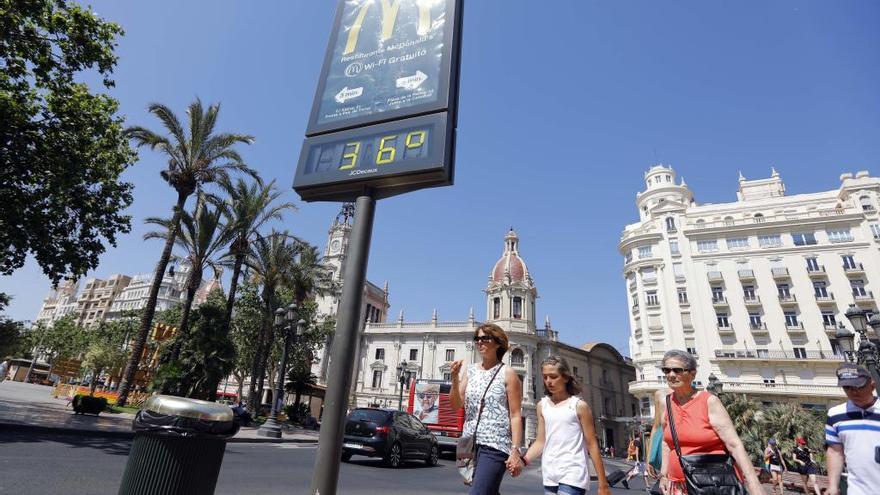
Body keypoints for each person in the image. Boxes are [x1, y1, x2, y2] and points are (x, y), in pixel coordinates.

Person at [657, 350, 764, 495]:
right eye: (666, 370)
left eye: (677, 370)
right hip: (678, 486)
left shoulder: (709, 401)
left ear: (692, 374)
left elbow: (734, 444)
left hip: (713, 484)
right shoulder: (666, 403)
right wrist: (664, 475)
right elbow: (666, 442)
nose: (670, 375)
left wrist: (754, 484)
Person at [450, 323, 523, 495]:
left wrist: (515, 450)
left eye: (485, 338)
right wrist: (454, 378)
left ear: (498, 343)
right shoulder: (470, 371)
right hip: (469, 443)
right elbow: (456, 405)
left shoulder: (508, 373)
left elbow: (515, 415)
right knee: (487, 491)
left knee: (478, 492)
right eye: (477, 338)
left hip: (495, 443)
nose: (479, 342)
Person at [521, 355, 611, 495]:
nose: (548, 381)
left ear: (566, 377)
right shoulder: (542, 406)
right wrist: (523, 461)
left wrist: (603, 483)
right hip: (550, 474)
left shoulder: (579, 406)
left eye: (553, 376)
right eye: (545, 377)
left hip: (573, 473)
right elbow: (540, 442)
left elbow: (592, 444)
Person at [825, 363, 880, 495]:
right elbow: (834, 452)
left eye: (858, 386)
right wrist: (833, 485)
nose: (853, 392)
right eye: (847, 387)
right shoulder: (835, 415)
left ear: (872, 384)